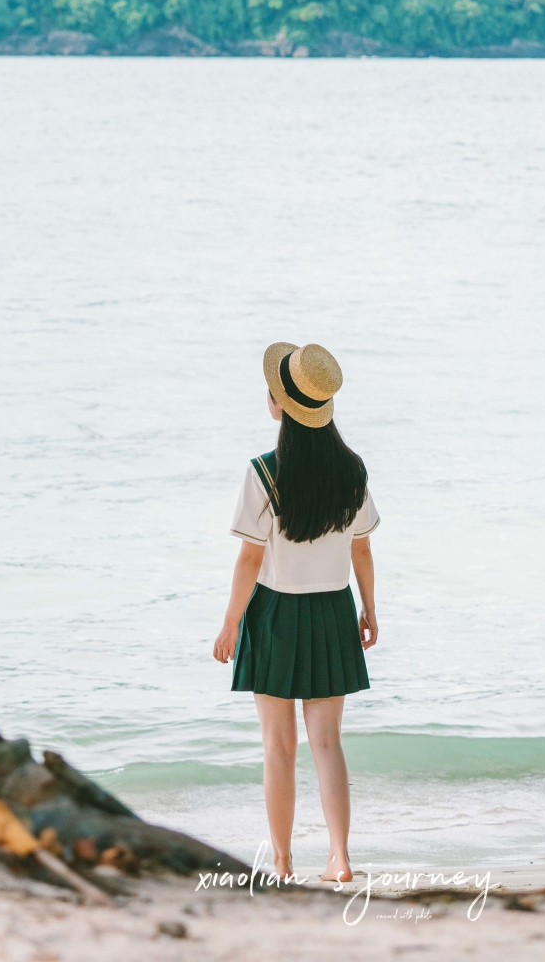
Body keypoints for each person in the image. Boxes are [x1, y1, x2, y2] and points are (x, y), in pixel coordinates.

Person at [213, 341, 378, 885]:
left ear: (278, 406)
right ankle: (339, 858)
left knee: (277, 746)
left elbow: (249, 556)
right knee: (328, 742)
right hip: (333, 610)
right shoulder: (351, 470)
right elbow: (361, 549)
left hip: (276, 614)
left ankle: (282, 863)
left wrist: (232, 620)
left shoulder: (265, 471)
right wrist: (369, 609)